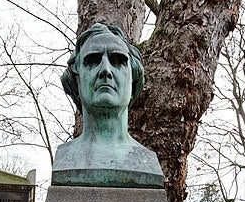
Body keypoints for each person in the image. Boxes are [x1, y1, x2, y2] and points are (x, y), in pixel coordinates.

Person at [51, 23, 164, 188]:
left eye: (117, 60)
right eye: (92, 61)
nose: (105, 70)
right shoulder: (65, 159)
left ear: (133, 81)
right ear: (76, 82)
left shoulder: (146, 162)